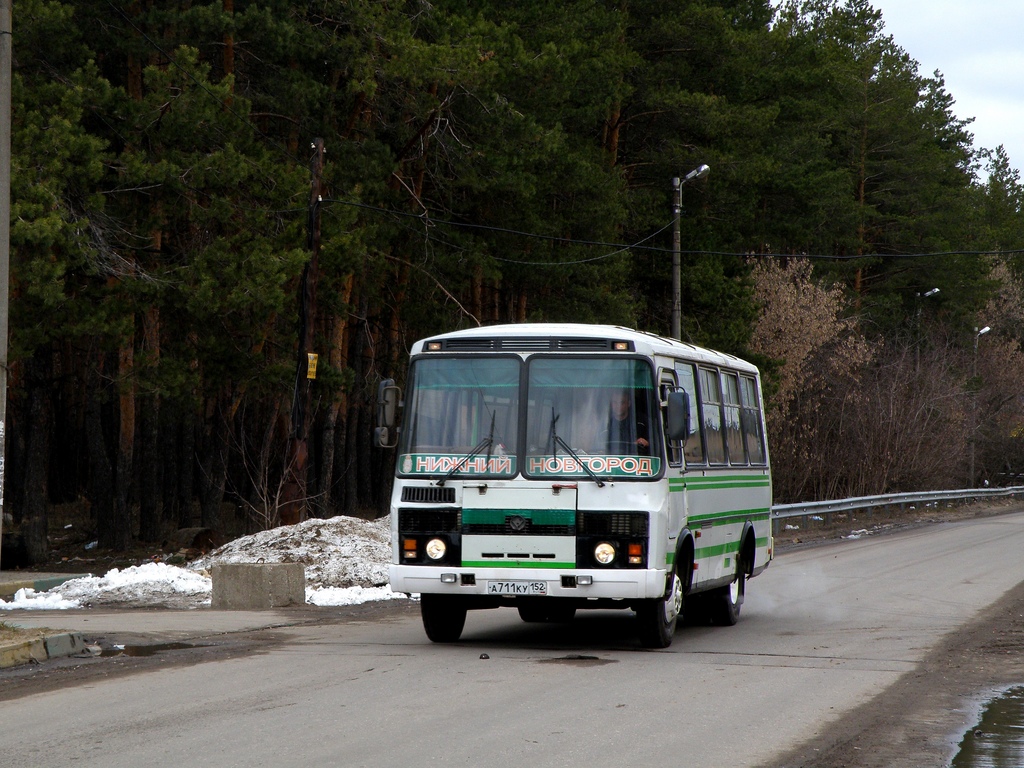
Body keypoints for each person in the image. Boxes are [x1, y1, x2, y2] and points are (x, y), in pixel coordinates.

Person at [606, 390, 649, 455]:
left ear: (628, 403)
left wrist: (646, 442)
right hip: (608, 461)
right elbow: (596, 445)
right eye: (615, 402)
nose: (618, 405)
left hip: (637, 460)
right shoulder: (605, 423)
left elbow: (657, 443)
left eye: (622, 402)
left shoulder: (642, 422)